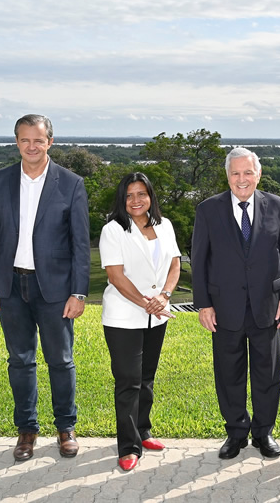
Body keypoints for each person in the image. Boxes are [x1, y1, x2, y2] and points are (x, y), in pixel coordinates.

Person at [0, 114, 90, 461]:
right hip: (10, 286)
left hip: (55, 289)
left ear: (50, 142)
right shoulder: (1, 180)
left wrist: (79, 292)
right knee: (20, 361)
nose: (31, 146)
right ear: (16, 142)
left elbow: (80, 244)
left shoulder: (71, 183)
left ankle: (65, 429)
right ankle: (27, 431)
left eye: (38, 140)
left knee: (61, 360)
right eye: (25, 140)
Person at [191, 148, 280, 460]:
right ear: (228, 176)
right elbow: (199, 259)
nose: (242, 179)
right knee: (229, 374)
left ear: (258, 174)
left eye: (247, 172)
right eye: (235, 173)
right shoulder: (208, 210)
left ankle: (264, 433)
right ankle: (236, 433)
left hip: (267, 306)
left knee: (268, 373)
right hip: (224, 309)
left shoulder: (277, 206)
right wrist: (204, 305)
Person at [98, 172, 181, 471]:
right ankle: (128, 446)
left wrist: (165, 296)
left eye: (141, 194)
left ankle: (143, 431)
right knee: (128, 382)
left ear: (151, 197)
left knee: (147, 378)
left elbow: (175, 263)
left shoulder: (165, 225)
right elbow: (116, 277)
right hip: (124, 316)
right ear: (122, 198)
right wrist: (149, 303)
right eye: (130, 195)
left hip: (156, 316)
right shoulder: (113, 230)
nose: (136, 200)